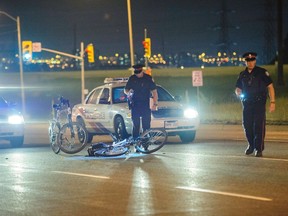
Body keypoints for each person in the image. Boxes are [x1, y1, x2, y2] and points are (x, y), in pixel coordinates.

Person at [235, 52, 275, 157]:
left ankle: (258, 149)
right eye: (248, 61)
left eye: (252, 60)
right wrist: (238, 92)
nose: (250, 62)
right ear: (245, 62)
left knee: (258, 126)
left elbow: (270, 87)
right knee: (247, 125)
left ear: (255, 60)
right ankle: (251, 145)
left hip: (259, 103)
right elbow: (238, 88)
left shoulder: (262, 72)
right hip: (247, 103)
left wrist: (272, 102)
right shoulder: (242, 74)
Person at [124, 64, 158, 140]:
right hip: (135, 105)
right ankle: (136, 143)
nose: (137, 75)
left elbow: (154, 91)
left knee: (146, 126)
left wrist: (155, 104)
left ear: (142, 71)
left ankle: (145, 143)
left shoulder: (148, 78)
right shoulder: (132, 78)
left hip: (145, 105)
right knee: (136, 125)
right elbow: (126, 90)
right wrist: (129, 92)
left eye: (138, 73)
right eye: (136, 73)